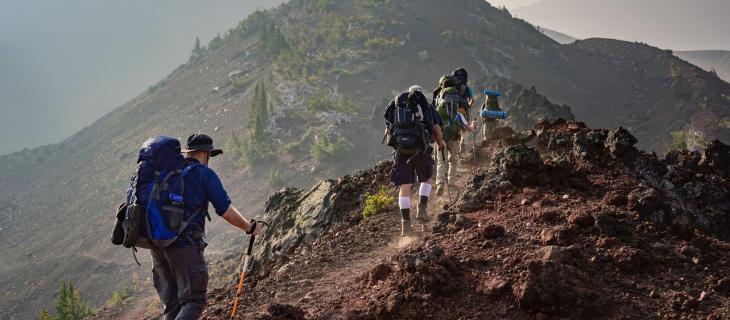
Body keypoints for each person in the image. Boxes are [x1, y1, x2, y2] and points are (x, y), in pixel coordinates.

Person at [151, 133, 262, 320]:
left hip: (157, 244)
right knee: (193, 301)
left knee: (173, 306)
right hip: (184, 245)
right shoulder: (204, 174)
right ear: (205, 153)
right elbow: (225, 211)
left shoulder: (168, 173)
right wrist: (249, 227)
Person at [384, 86, 445, 236]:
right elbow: (436, 130)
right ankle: (422, 208)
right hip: (420, 149)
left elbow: (388, 131)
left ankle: (406, 225)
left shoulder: (396, 107)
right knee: (426, 179)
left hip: (401, 151)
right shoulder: (426, 107)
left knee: (404, 187)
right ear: (420, 94)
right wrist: (440, 144)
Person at [434, 75, 476, 195]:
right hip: (454, 136)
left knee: (441, 161)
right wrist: (473, 125)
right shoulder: (458, 113)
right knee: (453, 160)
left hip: (440, 136)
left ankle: (440, 183)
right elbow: (469, 128)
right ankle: (451, 183)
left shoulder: (438, 102)